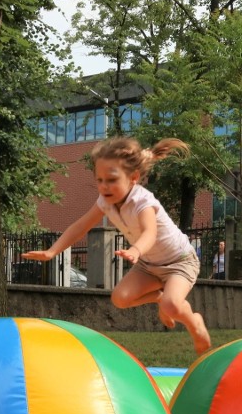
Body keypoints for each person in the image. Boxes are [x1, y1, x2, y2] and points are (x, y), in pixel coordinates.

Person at [22, 136, 211, 355]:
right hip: (149, 265)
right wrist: (52, 251)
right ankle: (160, 298)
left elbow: (150, 232)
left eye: (111, 179)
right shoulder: (105, 201)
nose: (104, 186)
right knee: (120, 299)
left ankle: (194, 323)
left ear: (133, 178)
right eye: (99, 180)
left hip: (179, 262)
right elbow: (80, 226)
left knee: (172, 305)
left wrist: (136, 250)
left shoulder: (143, 201)